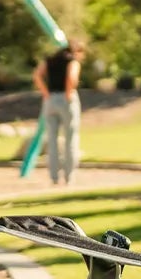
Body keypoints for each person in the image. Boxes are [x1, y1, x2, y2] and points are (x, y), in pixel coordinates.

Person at [34, 41, 83, 184]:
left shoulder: (50, 60)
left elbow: (37, 75)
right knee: (70, 138)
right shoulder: (73, 62)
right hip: (66, 99)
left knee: (52, 140)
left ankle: (54, 177)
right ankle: (69, 176)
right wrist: (68, 93)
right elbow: (71, 77)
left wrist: (45, 93)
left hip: (50, 100)